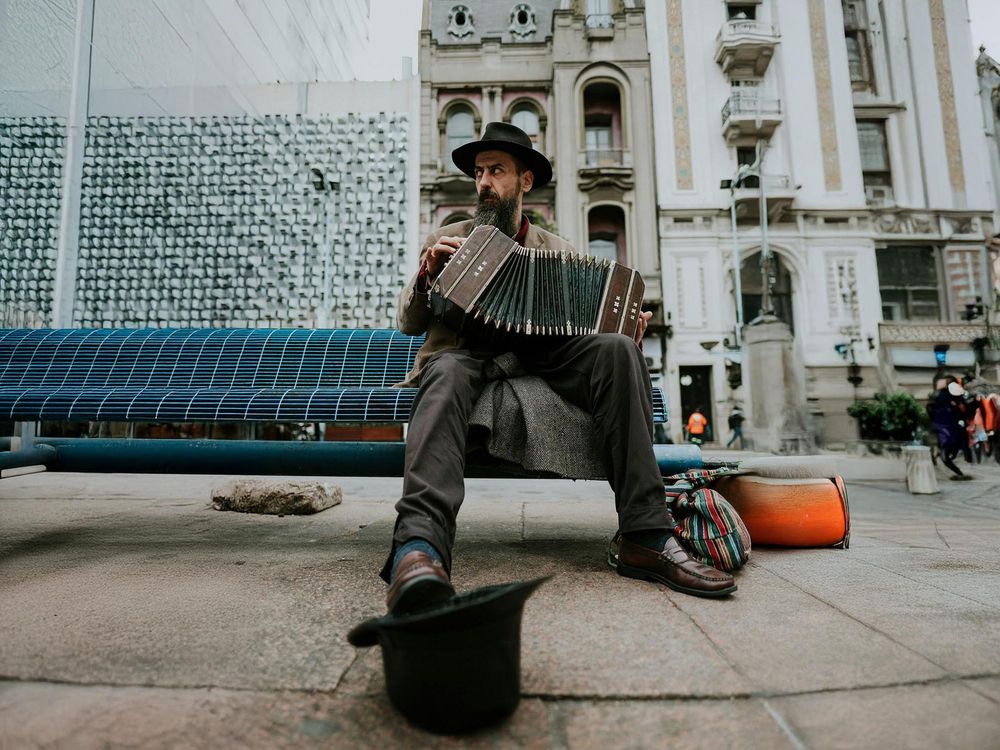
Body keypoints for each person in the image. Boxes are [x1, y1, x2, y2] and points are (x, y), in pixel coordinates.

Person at [382, 122, 736, 614]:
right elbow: (408, 322)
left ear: (525, 182)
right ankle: (418, 549)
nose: (483, 182)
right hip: (467, 354)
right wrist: (425, 279)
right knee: (443, 374)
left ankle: (646, 535)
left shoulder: (559, 252)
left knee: (617, 350)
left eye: (497, 171)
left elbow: (583, 329)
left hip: (541, 356)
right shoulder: (447, 239)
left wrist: (623, 333)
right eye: (479, 171)